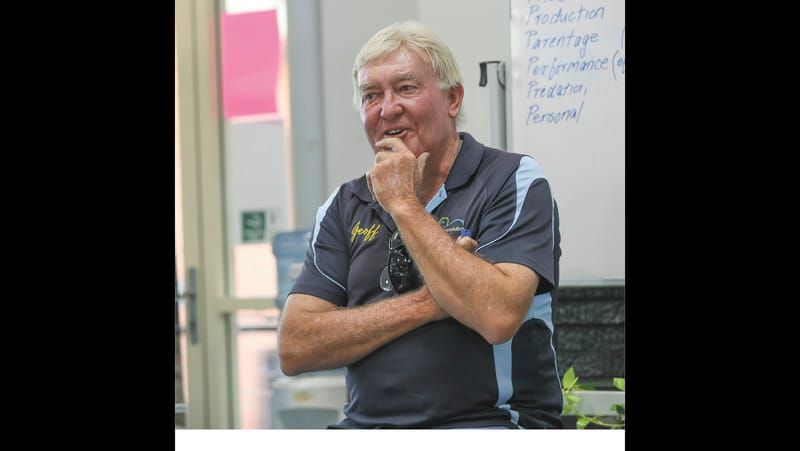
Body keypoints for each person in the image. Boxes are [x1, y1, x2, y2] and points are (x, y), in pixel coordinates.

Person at [277, 20, 562, 429]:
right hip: (364, 427)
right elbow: (295, 346)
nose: (387, 109)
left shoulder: (511, 179)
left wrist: (404, 206)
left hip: (486, 424)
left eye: (406, 88)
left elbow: (497, 315)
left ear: (452, 99)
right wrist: (428, 304)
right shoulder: (343, 205)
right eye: (371, 95)